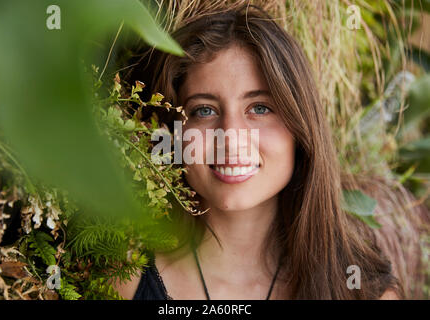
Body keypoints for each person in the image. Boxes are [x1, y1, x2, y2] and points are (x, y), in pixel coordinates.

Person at [114, 5, 401, 300]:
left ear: (300, 127)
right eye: (204, 110)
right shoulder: (122, 277)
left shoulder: (363, 290)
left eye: (260, 108)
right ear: (173, 135)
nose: (231, 137)